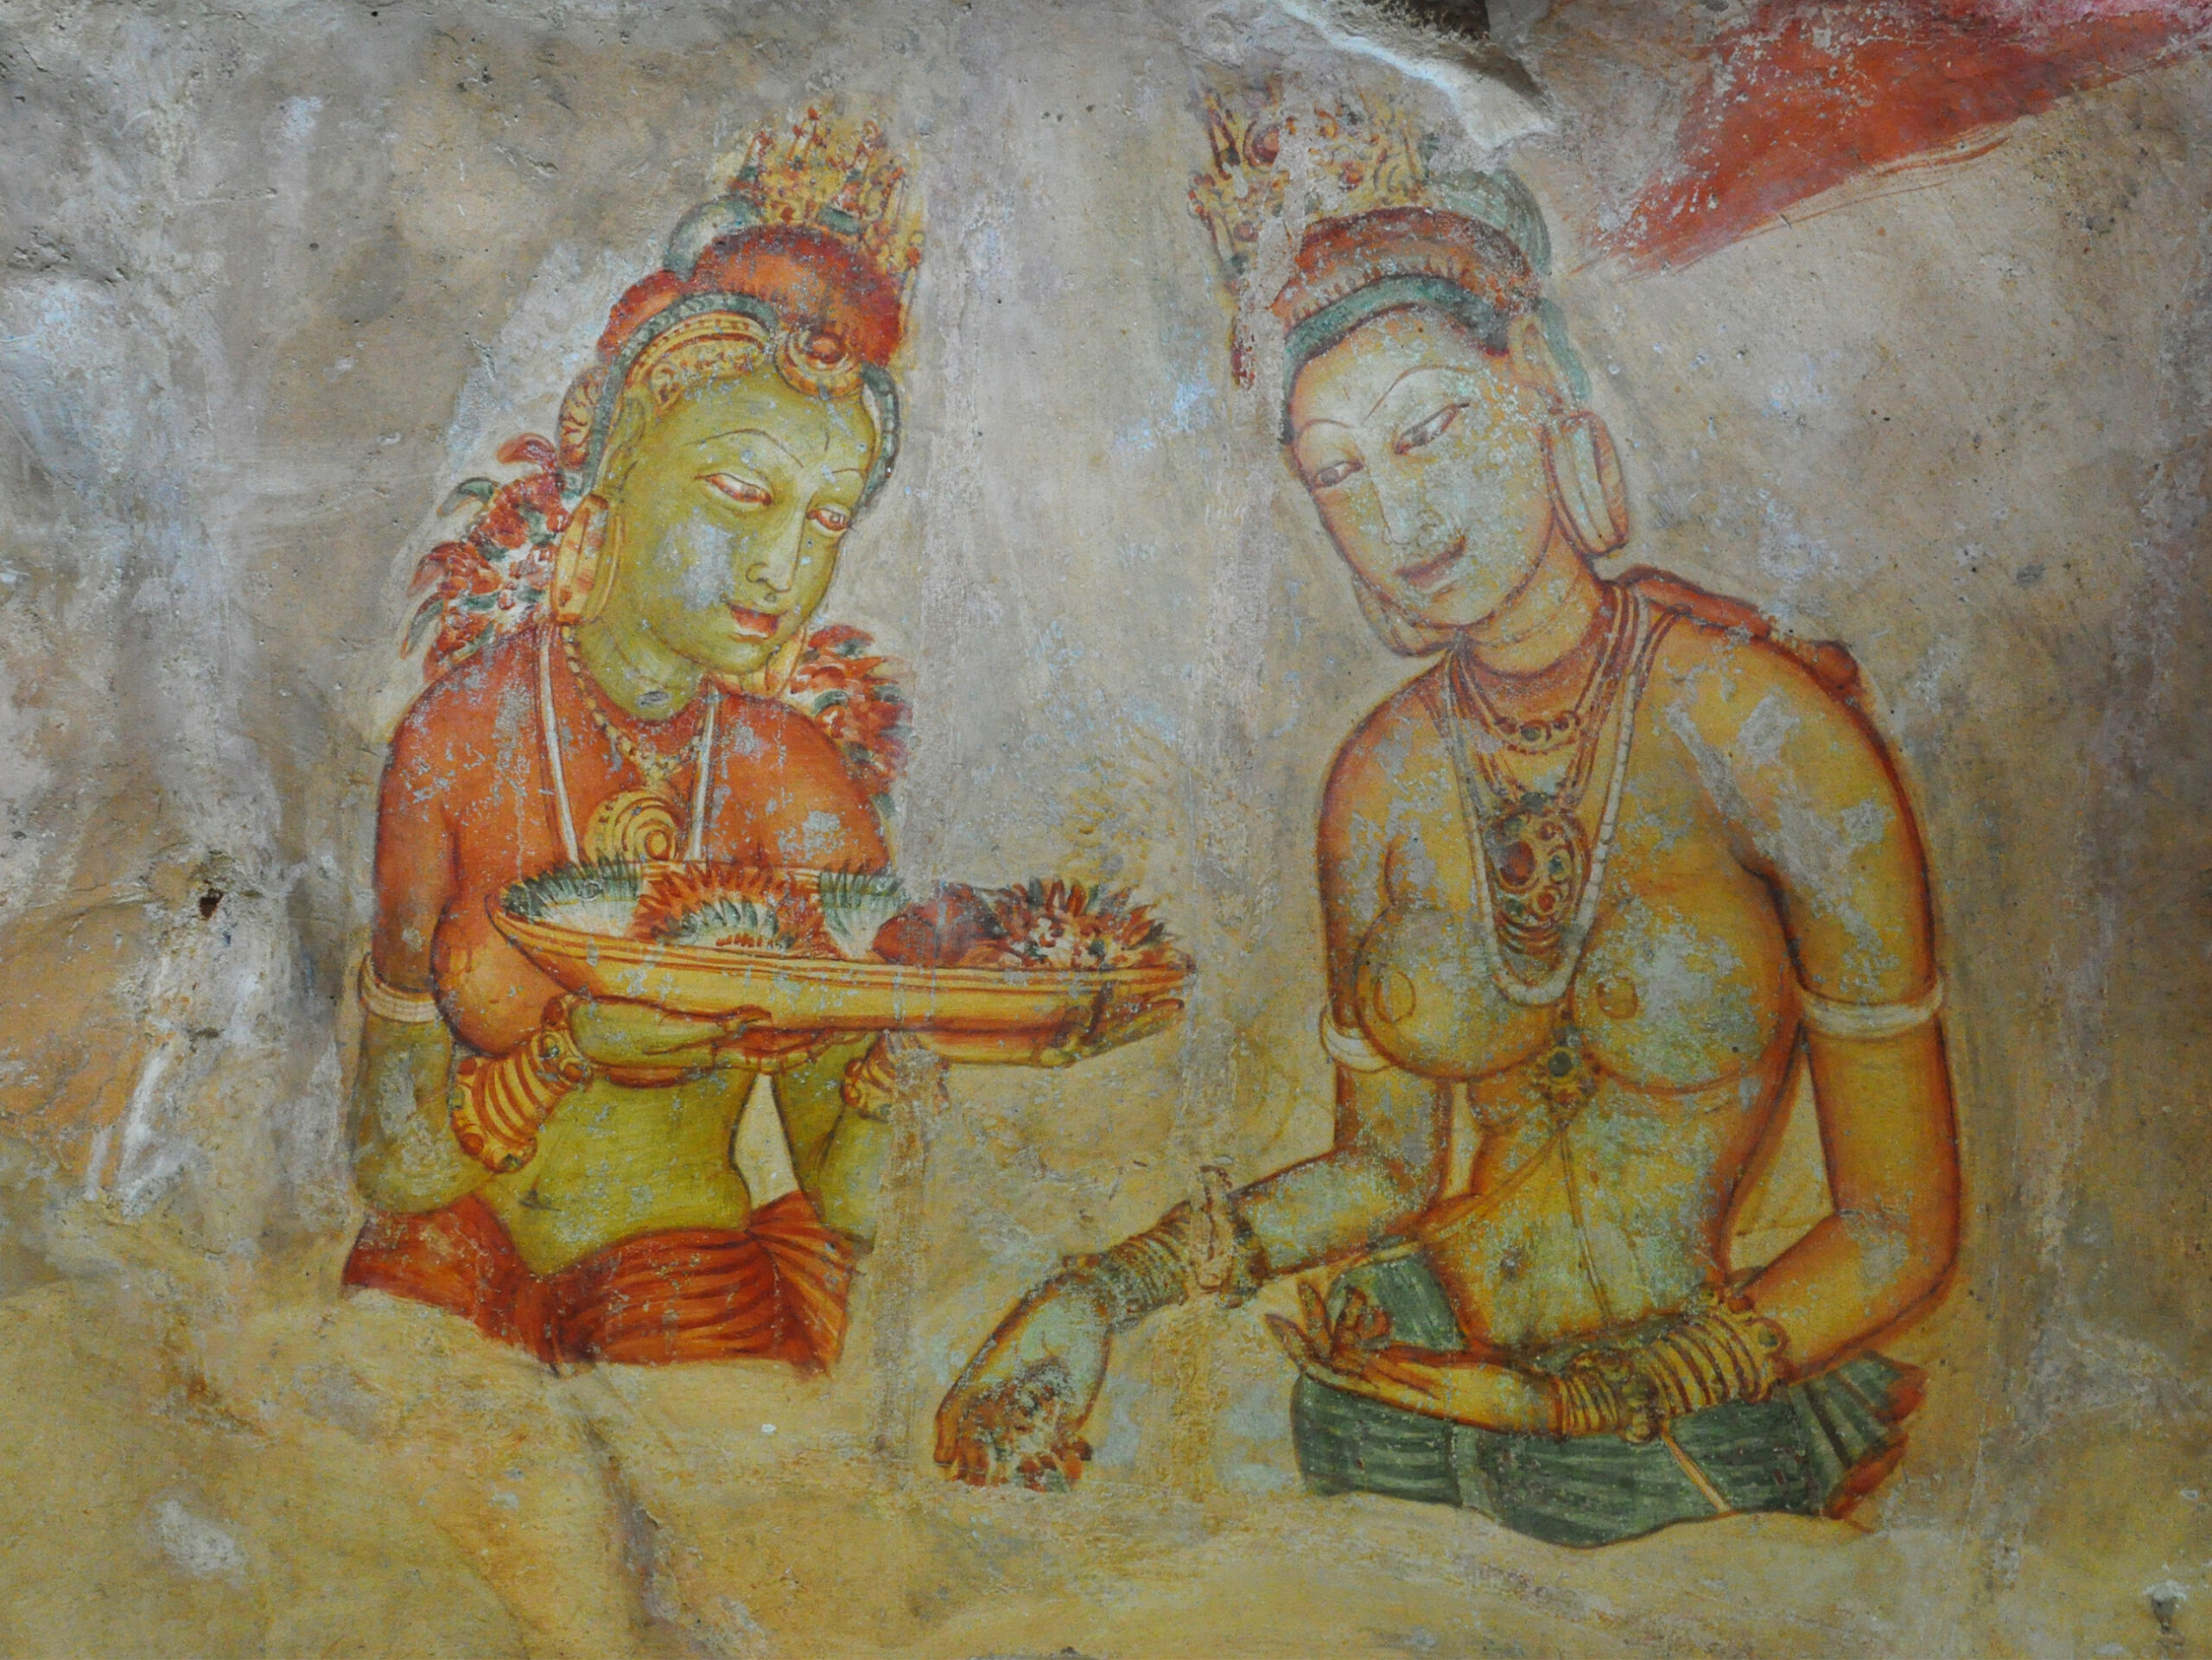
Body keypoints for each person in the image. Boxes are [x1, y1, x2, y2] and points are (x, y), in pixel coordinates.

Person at [934, 96, 1960, 1545]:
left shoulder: (1772, 740)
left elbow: (1902, 1229)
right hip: (1396, 1374)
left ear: (1534, 381)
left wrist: (1602, 1396)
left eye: (1428, 429)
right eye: (1337, 471)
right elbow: (1391, 1168)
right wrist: (1102, 1291)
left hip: (1675, 1418)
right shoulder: (1380, 783)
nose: (1396, 509)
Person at [341, 112, 926, 1371]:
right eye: (740, 492)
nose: (788, 564)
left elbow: (858, 1194)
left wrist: (896, 1036)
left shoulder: (801, 788)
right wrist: (562, 1052)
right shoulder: (455, 744)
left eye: (826, 516)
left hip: (678, 1279)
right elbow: (393, 1160)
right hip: (450, 1258)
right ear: (617, 472)